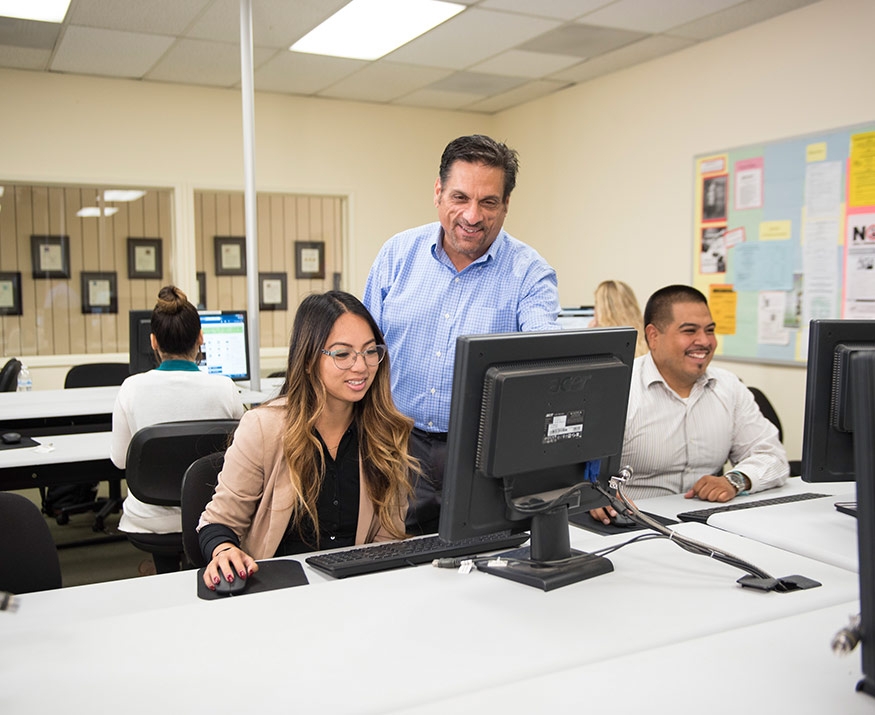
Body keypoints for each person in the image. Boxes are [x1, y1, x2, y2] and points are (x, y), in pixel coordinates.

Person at [363, 134, 560, 534]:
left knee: (479, 563)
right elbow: (364, 351)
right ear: (438, 193)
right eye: (459, 198)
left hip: (480, 452)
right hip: (397, 444)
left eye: (488, 202)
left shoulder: (530, 273)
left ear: (506, 205)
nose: (472, 216)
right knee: (390, 558)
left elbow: (545, 365)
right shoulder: (397, 255)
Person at [198, 291, 417, 592]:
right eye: (342, 354)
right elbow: (218, 523)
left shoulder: (386, 433)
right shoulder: (264, 427)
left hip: (356, 592)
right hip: (278, 592)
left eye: (370, 351)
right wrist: (223, 551)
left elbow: (387, 539)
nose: (361, 366)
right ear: (310, 358)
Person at [591, 284, 789, 524]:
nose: (704, 341)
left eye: (710, 330)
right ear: (653, 336)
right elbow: (572, 474)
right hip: (631, 524)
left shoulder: (729, 387)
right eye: (689, 331)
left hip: (710, 523)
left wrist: (736, 480)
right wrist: (593, 499)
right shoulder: (619, 388)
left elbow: (773, 455)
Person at [111, 286, 244, 569]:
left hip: (148, 521)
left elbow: (121, 460)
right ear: (200, 338)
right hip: (209, 517)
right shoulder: (225, 388)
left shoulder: (131, 388)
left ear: (153, 341)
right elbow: (239, 456)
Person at [590, 279, 648, 357]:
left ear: (602, 310)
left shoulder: (602, 343)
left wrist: (589, 336)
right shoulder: (648, 336)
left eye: (596, 303)